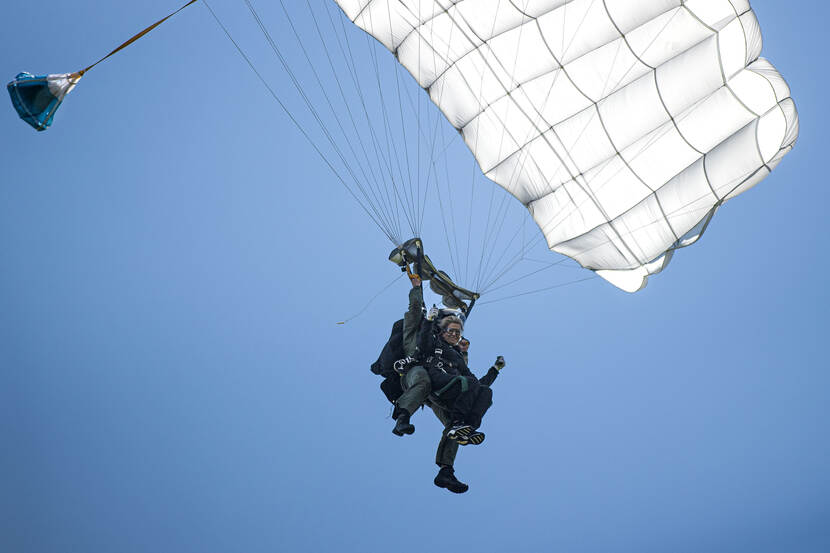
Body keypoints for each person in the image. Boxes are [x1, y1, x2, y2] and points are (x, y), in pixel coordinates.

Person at [417, 312, 506, 493]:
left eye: (459, 335)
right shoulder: (436, 345)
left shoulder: (458, 359)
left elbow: (478, 385)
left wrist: (495, 370)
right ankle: (459, 424)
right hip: (437, 390)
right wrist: (428, 320)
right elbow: (424, 341)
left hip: (455, 396)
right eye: (452, 332)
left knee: (485, 392)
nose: (456, 337)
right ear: (442, 332)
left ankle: (446, 470)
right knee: (468, 387)